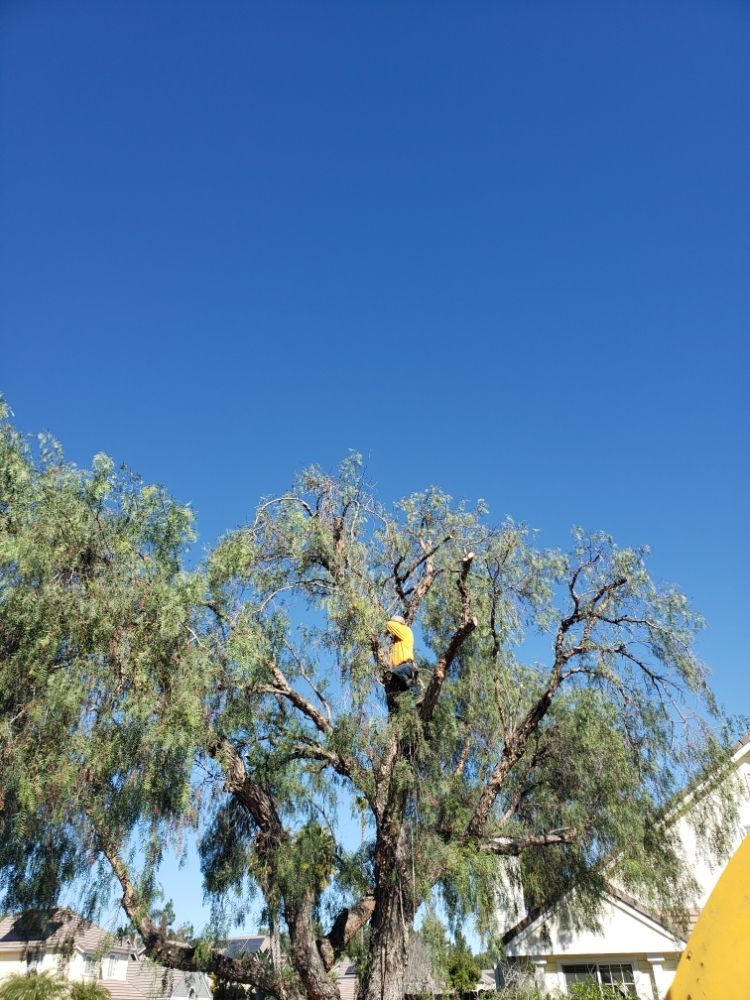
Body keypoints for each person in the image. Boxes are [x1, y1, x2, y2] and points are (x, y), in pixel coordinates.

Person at [385, 615, 419, 693]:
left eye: (396, 623)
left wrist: (390, 621)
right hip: (400, 669)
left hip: (406, 667)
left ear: (399, 624)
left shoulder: (405, 630)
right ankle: (411, 690)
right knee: (390, 689)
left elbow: (389, 624)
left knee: (396, 674)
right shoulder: (397, 643)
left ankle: (415, 691)